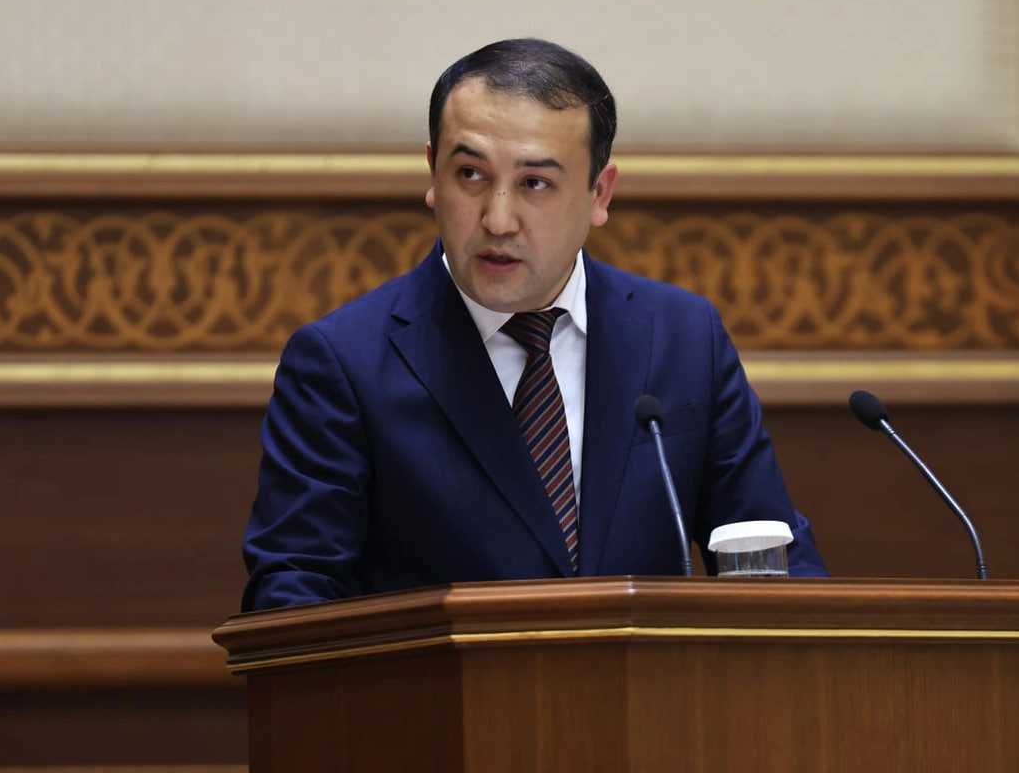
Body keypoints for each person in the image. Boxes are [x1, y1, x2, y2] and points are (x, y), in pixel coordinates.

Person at [241, 38, 827, 611]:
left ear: (599, 194)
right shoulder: (343, 363)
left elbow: (771, 555)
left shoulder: (685, 338)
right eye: (470, 174)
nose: (498, 219)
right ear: (432, 174)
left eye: (535, 183)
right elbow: (293, 598)